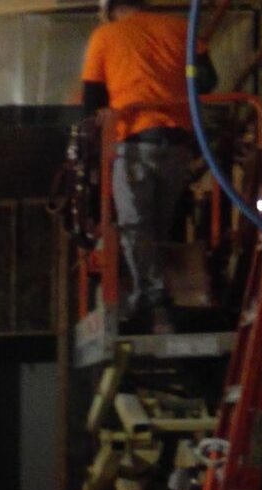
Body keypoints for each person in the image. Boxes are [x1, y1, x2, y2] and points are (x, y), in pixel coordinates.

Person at [80, 0, 218, 333]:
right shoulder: (178, 27)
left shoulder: (106, 35)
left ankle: (154, 300)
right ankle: (153, 295)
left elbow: (91, 100)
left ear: (109, 7)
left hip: (134, 144)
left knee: (134, 226)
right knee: (156, 226)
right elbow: (207, 80)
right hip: (177, 145)